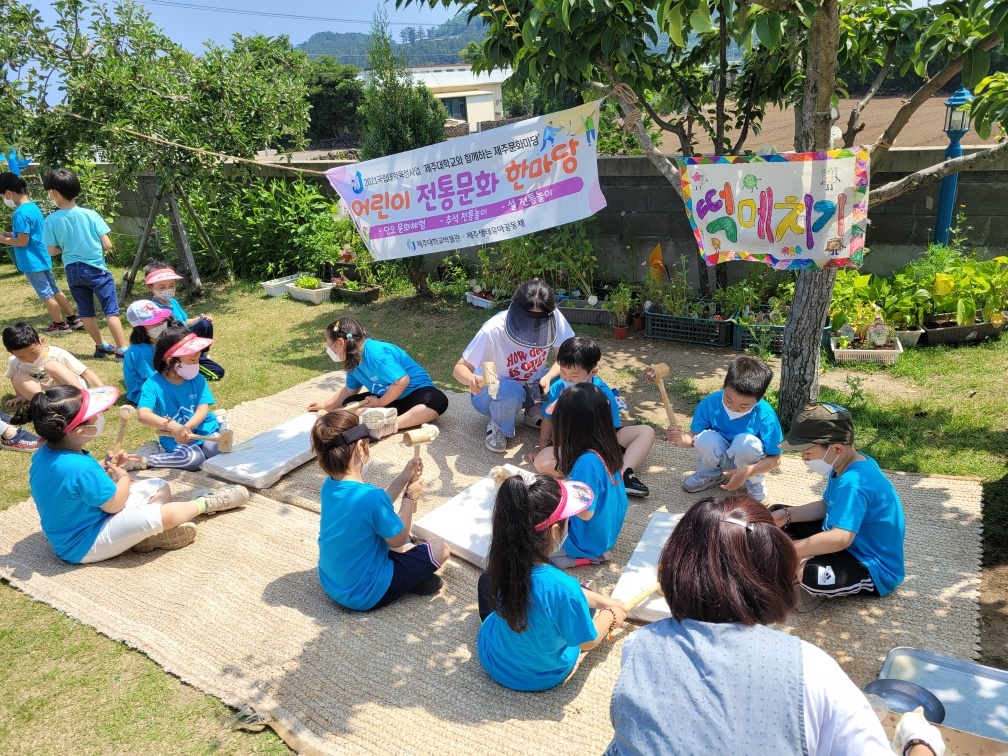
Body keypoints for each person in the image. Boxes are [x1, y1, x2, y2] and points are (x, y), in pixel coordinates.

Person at [604, 493, 943, 756]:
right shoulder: (812, 668)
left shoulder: (641, 644)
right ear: (772, 573)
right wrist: (919, 741)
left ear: (676, 565)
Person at [10, 384, 248, 563]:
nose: (101, 419)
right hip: (83, 543)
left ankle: (143, 537)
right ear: (79, 430)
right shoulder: (80, 467)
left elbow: (74, 484)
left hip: (90, 520)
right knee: (161, 514)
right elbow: (114, 505)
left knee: (158, 485)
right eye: (95, 417)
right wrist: (122, 476)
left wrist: (106, 466)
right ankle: (206, 503)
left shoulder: (46, 453)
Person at [477, 473, 627, 691]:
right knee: (574, 606)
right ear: (556, 531)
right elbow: (586, 642)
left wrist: (605, 600)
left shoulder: (502, 558)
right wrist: (611, 615)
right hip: (541, 675)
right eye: (568, 521)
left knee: (486, 580)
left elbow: (553, 593)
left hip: (494, 659)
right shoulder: (565, 588)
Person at [772, 402, 906, 612]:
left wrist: (792, 551)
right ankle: (803, 558)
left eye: (807, 453)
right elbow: (826, 505)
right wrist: (787, 515)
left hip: (870, 563)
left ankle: (807, 585)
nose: (803, 459)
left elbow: (840, 538)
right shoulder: (843, 464)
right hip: (846, 541)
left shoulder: (853, 483)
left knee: (810, 575)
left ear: (836, 449)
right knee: (777, 514)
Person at [312, 409, 450, 611]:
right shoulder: (371, 498)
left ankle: (411, 576)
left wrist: (404, 476)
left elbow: (377, 506)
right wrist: (409, 498)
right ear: (361, 446)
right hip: (365, 593)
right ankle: (408, 580)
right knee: (440, 547)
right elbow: (398, 539)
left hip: (332, 582)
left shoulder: (330, 486)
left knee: (399, 540)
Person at [453, 279, 574, 453]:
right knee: (510, 389)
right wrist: (471, 378)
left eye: (539, 321)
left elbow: (567, 357)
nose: (533, 326)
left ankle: (533, 411)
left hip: (532, 388)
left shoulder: (554, 317)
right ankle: (498, 424)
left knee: (575, 372)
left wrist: (547, 377)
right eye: (528, 319)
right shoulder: (493, 330)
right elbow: (459, 368)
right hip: (493, 393)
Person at [531, 336, 655, 497]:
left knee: (646, 431)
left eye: (574, 375)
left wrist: (601, 449)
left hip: (602, 442)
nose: (567, 379)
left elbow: (610, 428)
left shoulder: (602, 393)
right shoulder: (557, 388)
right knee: (541, 461)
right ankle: (598, 475)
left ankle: (623, 473)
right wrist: (542, 445)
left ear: (593, 371)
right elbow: (548, 417)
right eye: (563, 373)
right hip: (573, 447)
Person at [666, 355, 782, 502]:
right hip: (719, 455)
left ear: (761, 397)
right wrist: (679, 439)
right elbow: (693, 437)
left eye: (744, 406)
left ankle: (753, 481)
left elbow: (775, 459)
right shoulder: (710, 402)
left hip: (748, 461)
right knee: (706, 438)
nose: (734, 407)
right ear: (724, 386)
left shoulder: (766, 415)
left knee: (745, 442)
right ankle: (709, 474)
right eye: (728, 399)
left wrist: (748, 471)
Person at [41, 168, 127, 359]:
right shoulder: (91, 214)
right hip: (97, 270)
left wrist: (68, 247)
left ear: (53, 193)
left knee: (86, 312)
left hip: (73, 271)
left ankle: (101, 345)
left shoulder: (51, 220)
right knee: (110, 311)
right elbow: (107, 244)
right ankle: (122, 349)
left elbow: (52, 250)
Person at [307, 317, 448, 434]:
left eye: (328, 343)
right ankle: (381, 419)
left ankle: (392, 425)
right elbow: (349, 390)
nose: (328, 348)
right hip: (388, 397)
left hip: (415, 393)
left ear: (340, 342)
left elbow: (402, 381)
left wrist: (380, 403)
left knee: (438, 401)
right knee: (349, 403)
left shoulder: (375, 353)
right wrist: (326, 405)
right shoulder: (352, 361)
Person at [551, 382, 629, 567]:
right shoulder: (608, 448)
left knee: (530, 548)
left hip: (583, 542)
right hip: (605, 535)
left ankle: (581, 558)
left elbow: (585, 513)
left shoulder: (587, 464)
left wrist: (558, 497)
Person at [132, 327, 228, 471]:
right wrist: (175, 428)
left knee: (220, 451)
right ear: (171, 359)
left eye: (198, 355)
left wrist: (186, 428)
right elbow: (143, 415)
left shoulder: (198, 379)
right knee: (194, 460)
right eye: (191, 357)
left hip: (205, 430)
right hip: (174, 439)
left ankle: (221, 423)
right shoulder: (152, 385)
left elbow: (203, 409)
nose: (197, 358)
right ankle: (144, 459)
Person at [0, 172, 82, 334]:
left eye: (2, 196)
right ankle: (73, 318)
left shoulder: (20, 213)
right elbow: (29, 234)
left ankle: (59, 325)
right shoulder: (32, 207)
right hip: (42, 256)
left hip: (31, 261)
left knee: (46, 294)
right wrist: (9, 235)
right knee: (55, 290)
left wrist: (3, 240)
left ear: (9, 193)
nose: (3, 200)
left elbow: (23, 241)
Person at [142, 260, 224, 380]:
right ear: (150, 287)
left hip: (187, 340)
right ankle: (184, 367)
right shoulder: (151, 309)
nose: (168, 290)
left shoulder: (173, 302)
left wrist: (198, 320)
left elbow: (183, 322)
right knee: (218, 372)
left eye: (171, 285)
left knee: (205, 324)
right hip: (176, 349)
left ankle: (201, 355)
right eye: (162, 287)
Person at [4, 321, 102, 405]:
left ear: (41, 341)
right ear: (11, 352)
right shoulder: (14, 361)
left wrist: (102, 390)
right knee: (18, 377)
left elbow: (85, 372)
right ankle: (51, 406)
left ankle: (84, 398)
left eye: (34, 352)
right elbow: (13, 377)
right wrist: (21, 395)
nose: (30, 359)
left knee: (51, 366)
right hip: (49, 393)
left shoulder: (56, 353)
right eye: (22, 357)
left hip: (71, 387)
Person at [122, 300, 177, 405]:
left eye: (161, 319)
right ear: (140, 328)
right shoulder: (144, 351)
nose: (160, 324)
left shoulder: (155, 341)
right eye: (154, 322)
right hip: (142, 394)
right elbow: (151, 378)